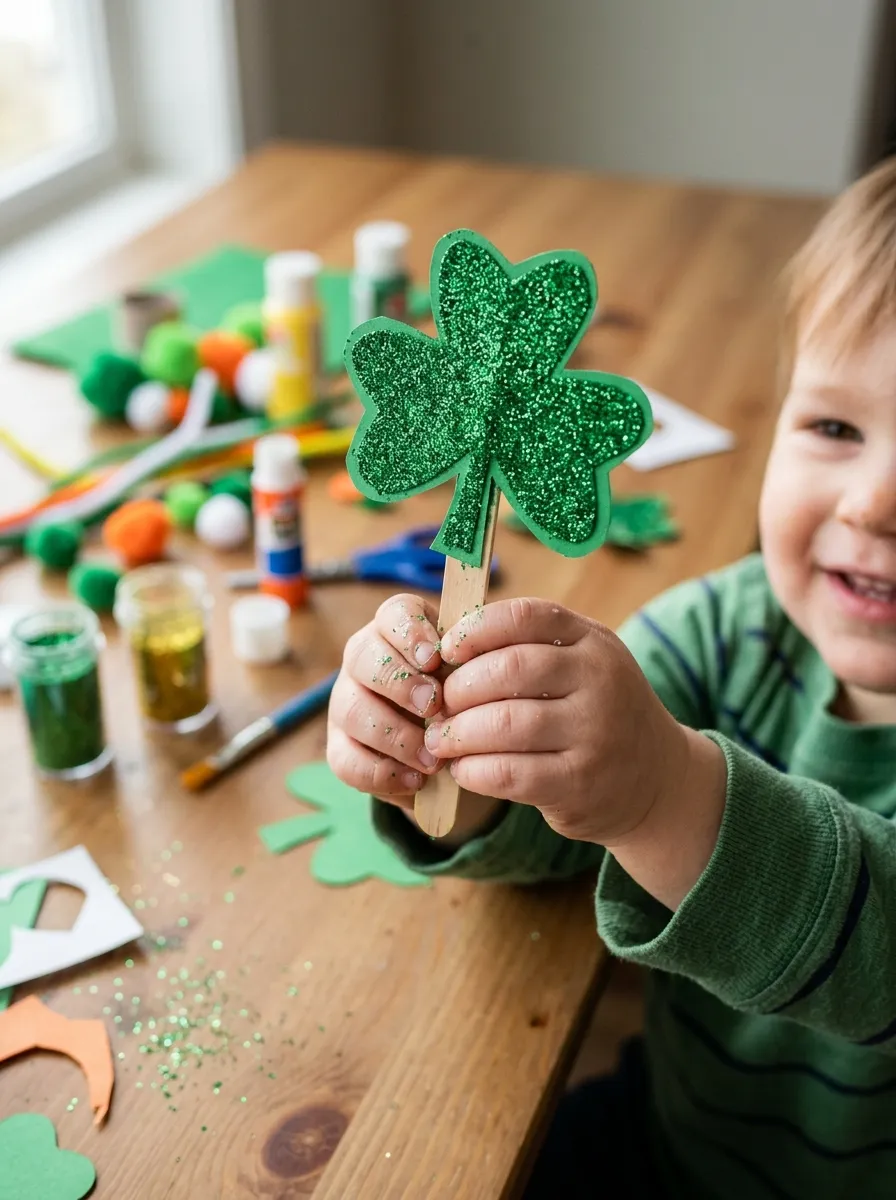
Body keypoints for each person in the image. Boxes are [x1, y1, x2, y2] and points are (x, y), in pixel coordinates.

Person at [326, 156, 896, 1199]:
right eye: (831, 427)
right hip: (669, 1140)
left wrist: (663, 793)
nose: (870, 504)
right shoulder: (730, 629)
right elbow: (571, 807)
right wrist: (449, 758)